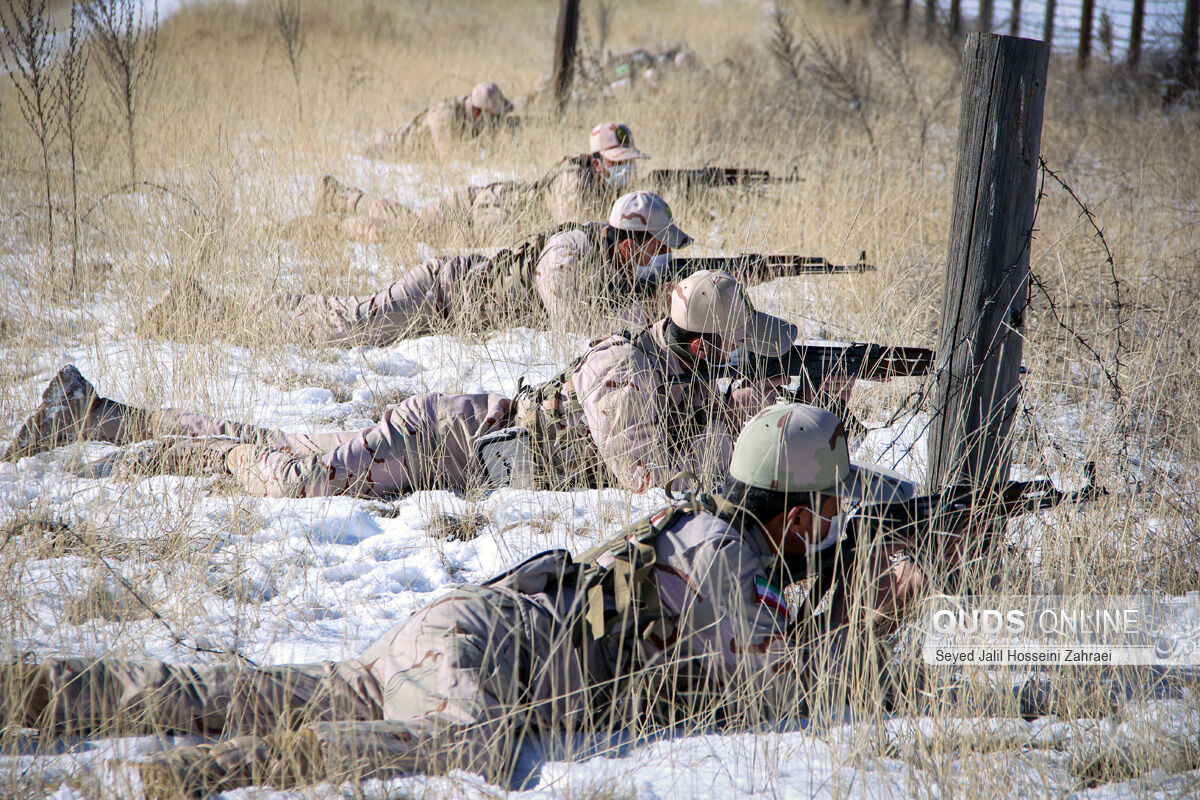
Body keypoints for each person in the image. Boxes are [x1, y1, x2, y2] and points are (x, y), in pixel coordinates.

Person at [0, 403, 927, 797]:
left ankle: (41, 691)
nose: (845, 519)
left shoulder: (705, 528)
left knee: (292, 687)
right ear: (799, 519)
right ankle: (209, 775)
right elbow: (783, 699)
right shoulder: (730, 567)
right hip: (482, 662)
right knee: (462, 754)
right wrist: (872, 622)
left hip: (456, 625)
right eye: (836, 506)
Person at [5, 269, 798, 499]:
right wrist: (755, 434)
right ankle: (170, 446)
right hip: (437, 440)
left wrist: (752, 407)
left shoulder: (676, 373)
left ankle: (100, 415)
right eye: (727, 354)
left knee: (273, 443)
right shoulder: (625, 372)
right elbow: (652, 481)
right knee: (297, 481)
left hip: (448, 457)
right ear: (700, 345)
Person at [188, 190, 690, 346]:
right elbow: (575, 324)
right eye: (655, 247)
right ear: (630, 241)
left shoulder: (612, 257)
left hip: (456, 310)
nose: (659, 257)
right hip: (443, 293)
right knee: (352, 326)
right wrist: (649, 319)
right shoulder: (568, 255)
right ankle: (226, 310)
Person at [319, 121, 649, 242]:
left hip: (491, 214)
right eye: (617, 162)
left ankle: (340, 207)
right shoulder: (573, 181)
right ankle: (338, 211)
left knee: (405, 227)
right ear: (596, 161)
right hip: (477, 212)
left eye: (627, 163)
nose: (624, 170)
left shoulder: (605, 184)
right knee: (407, 227)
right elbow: (573, 232)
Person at [364, 81, 517, 160]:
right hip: (386, 148)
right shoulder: (446, 116)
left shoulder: (472, 116)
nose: (496, 121)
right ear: (478, 112)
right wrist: (483, 141)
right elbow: (450, 158)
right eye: (494, 116)